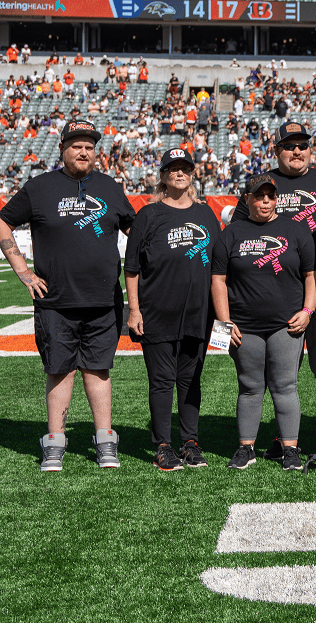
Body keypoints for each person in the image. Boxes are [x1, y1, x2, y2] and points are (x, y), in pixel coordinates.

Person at [0, 120, 136, 472]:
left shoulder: (108, 186)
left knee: (99, 370)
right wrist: (24, 271)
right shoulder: (40, 187)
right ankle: (55, 442)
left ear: (96, 151)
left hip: (104, 299)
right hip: (55, 301)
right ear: (63, 149)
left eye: (89, 145)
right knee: (59, 371)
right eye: (76, 144)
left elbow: (134, 229)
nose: (83, 151)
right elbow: (3, 222)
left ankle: (105, 440)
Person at [235, 120, 316, 461]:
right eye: (289, 146)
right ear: (277, 149)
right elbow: (238, 233)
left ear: (311, 149)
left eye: (302, 145)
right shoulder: (262, 184)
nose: (296, 151)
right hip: (274, 292)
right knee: (276, 372)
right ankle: (282, 437)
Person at [211, 173, 316, 471]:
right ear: (247, 199)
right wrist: (224, 322)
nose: (266, 201)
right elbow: (218, 281)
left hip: (287, 324)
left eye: (270, 196)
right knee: (249, 386)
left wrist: (307, 311)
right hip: (244, 326)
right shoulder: (231, 232)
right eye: (259, 196)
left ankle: (290, 449)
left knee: (285, 385)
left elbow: (311, 275)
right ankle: (246, 447)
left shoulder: (296, 231)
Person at [124, 148, 220, 471]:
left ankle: (190, 442)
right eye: (173, 168)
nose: (179, 173)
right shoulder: (148, 216)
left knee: (191, 380)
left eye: (185, 168)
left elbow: (219, 269)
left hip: (198, 314)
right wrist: (134, 310)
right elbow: (132, 268)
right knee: (162, 381)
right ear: (163, 176)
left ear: (192, 175)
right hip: (156, 313)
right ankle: (163, 445)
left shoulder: (207, 215)